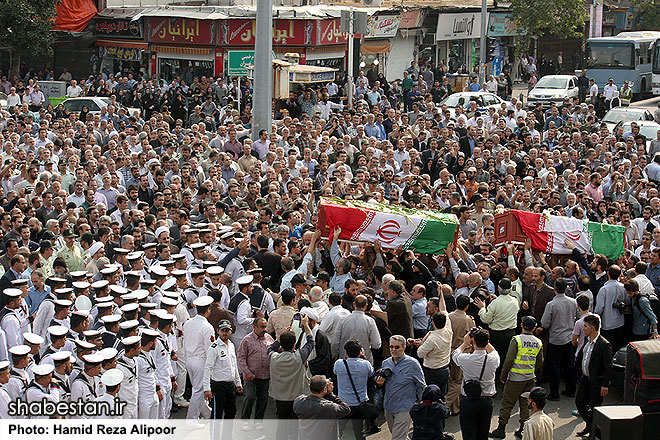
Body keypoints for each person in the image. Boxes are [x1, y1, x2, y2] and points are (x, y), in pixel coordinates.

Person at [490, 317, 544, 439]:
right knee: (525, 404)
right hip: (529, 378)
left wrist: (503, 375)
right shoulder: (538, 342)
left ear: (521, 325)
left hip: (514, 379)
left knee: (507, 404)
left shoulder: (517, 340)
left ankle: (501, 429)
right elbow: (540, 361)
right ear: (534, 328)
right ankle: (522, 430)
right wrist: (531, 370)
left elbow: (509, 360)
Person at [269, 313, 315, 440]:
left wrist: (280, 337)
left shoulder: (273, 357)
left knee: (282, 426)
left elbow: (271, 348)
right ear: (294, 345)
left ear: (282, 346)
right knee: (296, 427)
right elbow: (311, 341)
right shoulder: (299, 356)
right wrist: (305, 325)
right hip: (297, 397)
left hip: (280, 398)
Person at [375, 334, 426, 440]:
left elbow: (421, 385)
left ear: (404, 347)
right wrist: (379, 384)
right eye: (391, 347)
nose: (393, 350)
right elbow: (379, 385)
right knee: (400, 436)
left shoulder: (412, 364)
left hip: (405, 408)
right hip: (389, 407)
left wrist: (423, 405)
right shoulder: (386, 363)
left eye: (397, 347)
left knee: (397, 438)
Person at [452, 327, 500, 440]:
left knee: (468, 434)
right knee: (483, 433)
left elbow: (455, 354)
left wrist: (465, 343)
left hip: (468, 401)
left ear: (473, 342)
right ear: (487, 342)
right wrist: (483, 338)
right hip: (486, 401)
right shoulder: (493, 359)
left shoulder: (466, 359)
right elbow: (493, 351)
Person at [538, 278, 578, 401]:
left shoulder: (552, 304)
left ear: (555, 289)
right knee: (569, 364)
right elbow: (578, 316)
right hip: (569, 337)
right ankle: (571, 389)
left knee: (554, 366)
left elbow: (544, 322)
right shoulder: (573, 302)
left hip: (555, 339)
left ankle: (554, 393)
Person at [575, 315, 613, 438]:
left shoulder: (603, 344)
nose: (583, 329)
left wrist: (605, 385)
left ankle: (593, 432)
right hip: (585, 379)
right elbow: (582, 357)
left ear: (592, 328)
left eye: (585, 327)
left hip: (596, 382)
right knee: (580, 403)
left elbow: (608, 367)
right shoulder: (587, 341)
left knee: (595, 409)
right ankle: (590, 425)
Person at [237, 317, 274, 429]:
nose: (264, 329)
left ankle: (258, 421)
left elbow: (277, 350)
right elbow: (241, 357)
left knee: (263, 399)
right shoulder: (246, 340)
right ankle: (245, 420)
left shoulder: (269, 338)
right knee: (250, 397)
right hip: (250, 376)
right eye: (262, 327)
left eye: (265, 326)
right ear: (254, 327)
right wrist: (246, 372)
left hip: (265, 375)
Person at [334, 339, 374, 440]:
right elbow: (371, 373)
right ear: (360, 352)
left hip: (343, 404)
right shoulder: (366, 364)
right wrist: (363, 357)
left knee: (338, 432)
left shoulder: (339, 364)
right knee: (360, 433)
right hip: (359, 404)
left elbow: (335, 372)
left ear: (346, 352)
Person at [203, 319, 242, 420]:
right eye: (222, 330)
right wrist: (207, 388)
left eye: (227, 330)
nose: (224, 333)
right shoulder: (214, 348)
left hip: (230, 385)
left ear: (231, 331)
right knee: (217, 415)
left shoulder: (231, 346)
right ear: (218, 331)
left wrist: (238, 383)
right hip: (218, 386)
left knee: (231, 412)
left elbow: (234, 365)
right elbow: (207, 368)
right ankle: (214, 436)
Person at [293, 374, 350, 440]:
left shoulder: (299, 402)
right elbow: (346, 409)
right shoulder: (328, 407)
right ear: (324, 390)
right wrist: (331, 394)